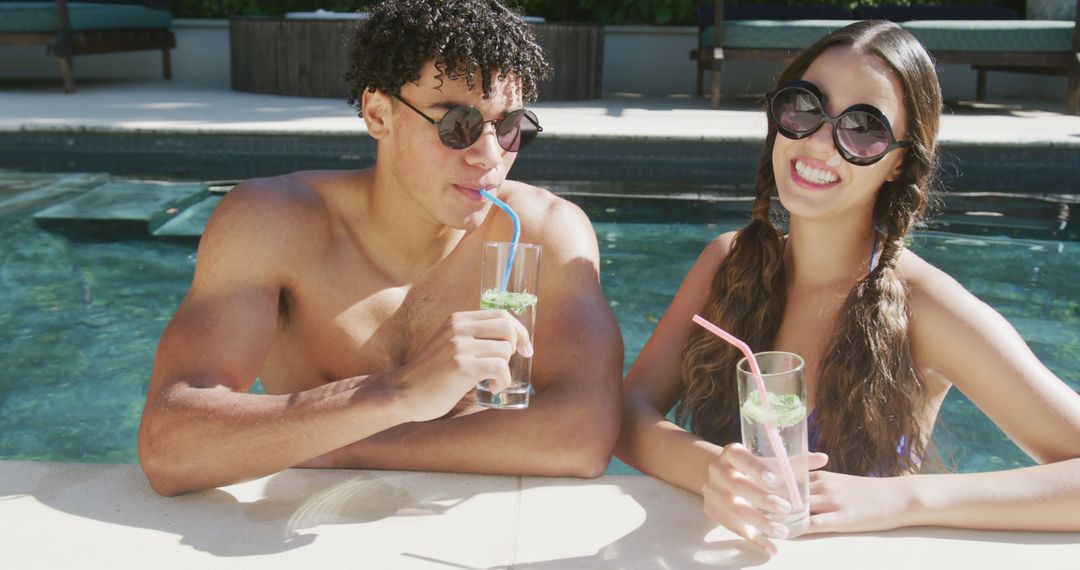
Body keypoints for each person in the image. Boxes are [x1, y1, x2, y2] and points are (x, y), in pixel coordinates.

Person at [615, 20, 1080, 554]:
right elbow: (627, 413)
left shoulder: (926, 307)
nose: (818, 142)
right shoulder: (727, 265)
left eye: (863, 127)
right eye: (805, 107)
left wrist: (905, 500)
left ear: (899, 160)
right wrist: (711, 469)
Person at [138, 0, 623, 496]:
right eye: (458, 124)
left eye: (508, 126)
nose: (490, 156)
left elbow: (584, 437)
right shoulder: (274, 223)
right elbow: (169, 445)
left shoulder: (547, 231)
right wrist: (398, 394)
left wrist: (343, 443)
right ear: (378, 114)